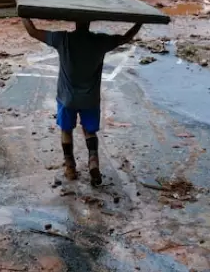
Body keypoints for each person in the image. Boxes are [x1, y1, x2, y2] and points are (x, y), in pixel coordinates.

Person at [22, 18, 142, 186]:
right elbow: (125, 38)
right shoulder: (100, 41)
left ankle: (70, 166)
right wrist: (139, 22)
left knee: (66, 130)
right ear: (89, 21)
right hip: (90, 99)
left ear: (75, 21)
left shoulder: (63, 39)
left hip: (67, 98)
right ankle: (93, 162)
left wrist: (23, 14)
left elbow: (33, 32)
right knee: (90, 131)